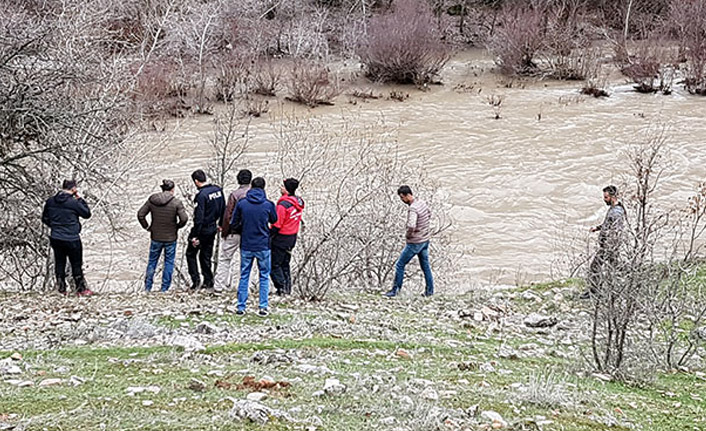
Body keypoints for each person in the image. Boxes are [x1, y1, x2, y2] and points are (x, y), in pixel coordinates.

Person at [230, 177, 277, 316]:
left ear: (251, 187)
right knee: (264, 275)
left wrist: (242, 228)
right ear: (264, 188)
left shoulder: (242, 203)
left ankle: (241, 306)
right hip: (263, 244)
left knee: (244, 275)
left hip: (246, 244)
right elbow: (274, 220)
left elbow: (234, 222)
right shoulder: (268, 205)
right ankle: (263, 306)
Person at [41, 179, 93, 296]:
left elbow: (44, 218)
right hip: (72, 238)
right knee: (76, 264)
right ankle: (81, 289)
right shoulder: (74, 203)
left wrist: (54, 226)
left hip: (56, 237)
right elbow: (87, 214)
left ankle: (61, 288)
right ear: (73, 189)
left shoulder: (50, 201)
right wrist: (80, 199)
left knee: (59, 263)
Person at [137, 179, 189, 292]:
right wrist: (177, 226)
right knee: (169, 262)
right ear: (172, 190)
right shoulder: (176, 202)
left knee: (152, 261)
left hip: (155, 236)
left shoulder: (152, 200)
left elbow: (140, 215)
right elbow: (184, 218)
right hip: (171, 237)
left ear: (162, 188)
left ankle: (147, 287)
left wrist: (147, 227)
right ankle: (164, 289)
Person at [384, 185, 434, 298]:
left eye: (402, 198)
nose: (402, 200)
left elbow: (411, 225)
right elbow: (429, 214)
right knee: (426, 267)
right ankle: (429, 291)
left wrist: (409, 235)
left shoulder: (413, 209)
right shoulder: (422, 202)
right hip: (425, 240)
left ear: (407, 196)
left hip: (415, 242)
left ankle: (395, 291)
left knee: (400, 265)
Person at [582, 185, 626, 299]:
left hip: (609, 246)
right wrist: (597, 228)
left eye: (606, 197)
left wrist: (608, 245)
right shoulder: (615, 209)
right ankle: (613, 291)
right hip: (610, 245)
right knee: (612, 268)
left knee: (595, 266)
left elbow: (616, 230)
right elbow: (608, 224)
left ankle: (595, 291)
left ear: (613, 197)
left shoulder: (617, 212)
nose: (604, 199)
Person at [213, 169, 252, 292]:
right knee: (247, 261)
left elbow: (228, 215)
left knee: (225, 259)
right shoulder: (256, 194)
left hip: (234, 232)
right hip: (249, 233)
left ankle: (219, 286)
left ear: (238, 180)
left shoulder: (235, 195)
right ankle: (246, 287)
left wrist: (225, 231)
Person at [187, 169, 225, 290]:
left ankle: (196, 281)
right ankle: (208, 281)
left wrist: (194, 236)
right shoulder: (218, 190)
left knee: (191, 254)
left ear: (196, 181)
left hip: (203, 229)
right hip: (213, 227)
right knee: (206, 255)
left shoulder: (201, 195)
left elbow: (199, 218)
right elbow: (223, 208)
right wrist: (221, 223)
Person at [270, 178, 305, 296]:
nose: (280, 188)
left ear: (286, 190)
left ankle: (281, 287)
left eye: (282, 186)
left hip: (281, 238)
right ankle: (287, 287)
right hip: (292, 237)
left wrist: (269, 234)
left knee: (274, 264)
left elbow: (277, 224)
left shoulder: (283, 205)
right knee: (285, 263)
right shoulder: (297, 203)